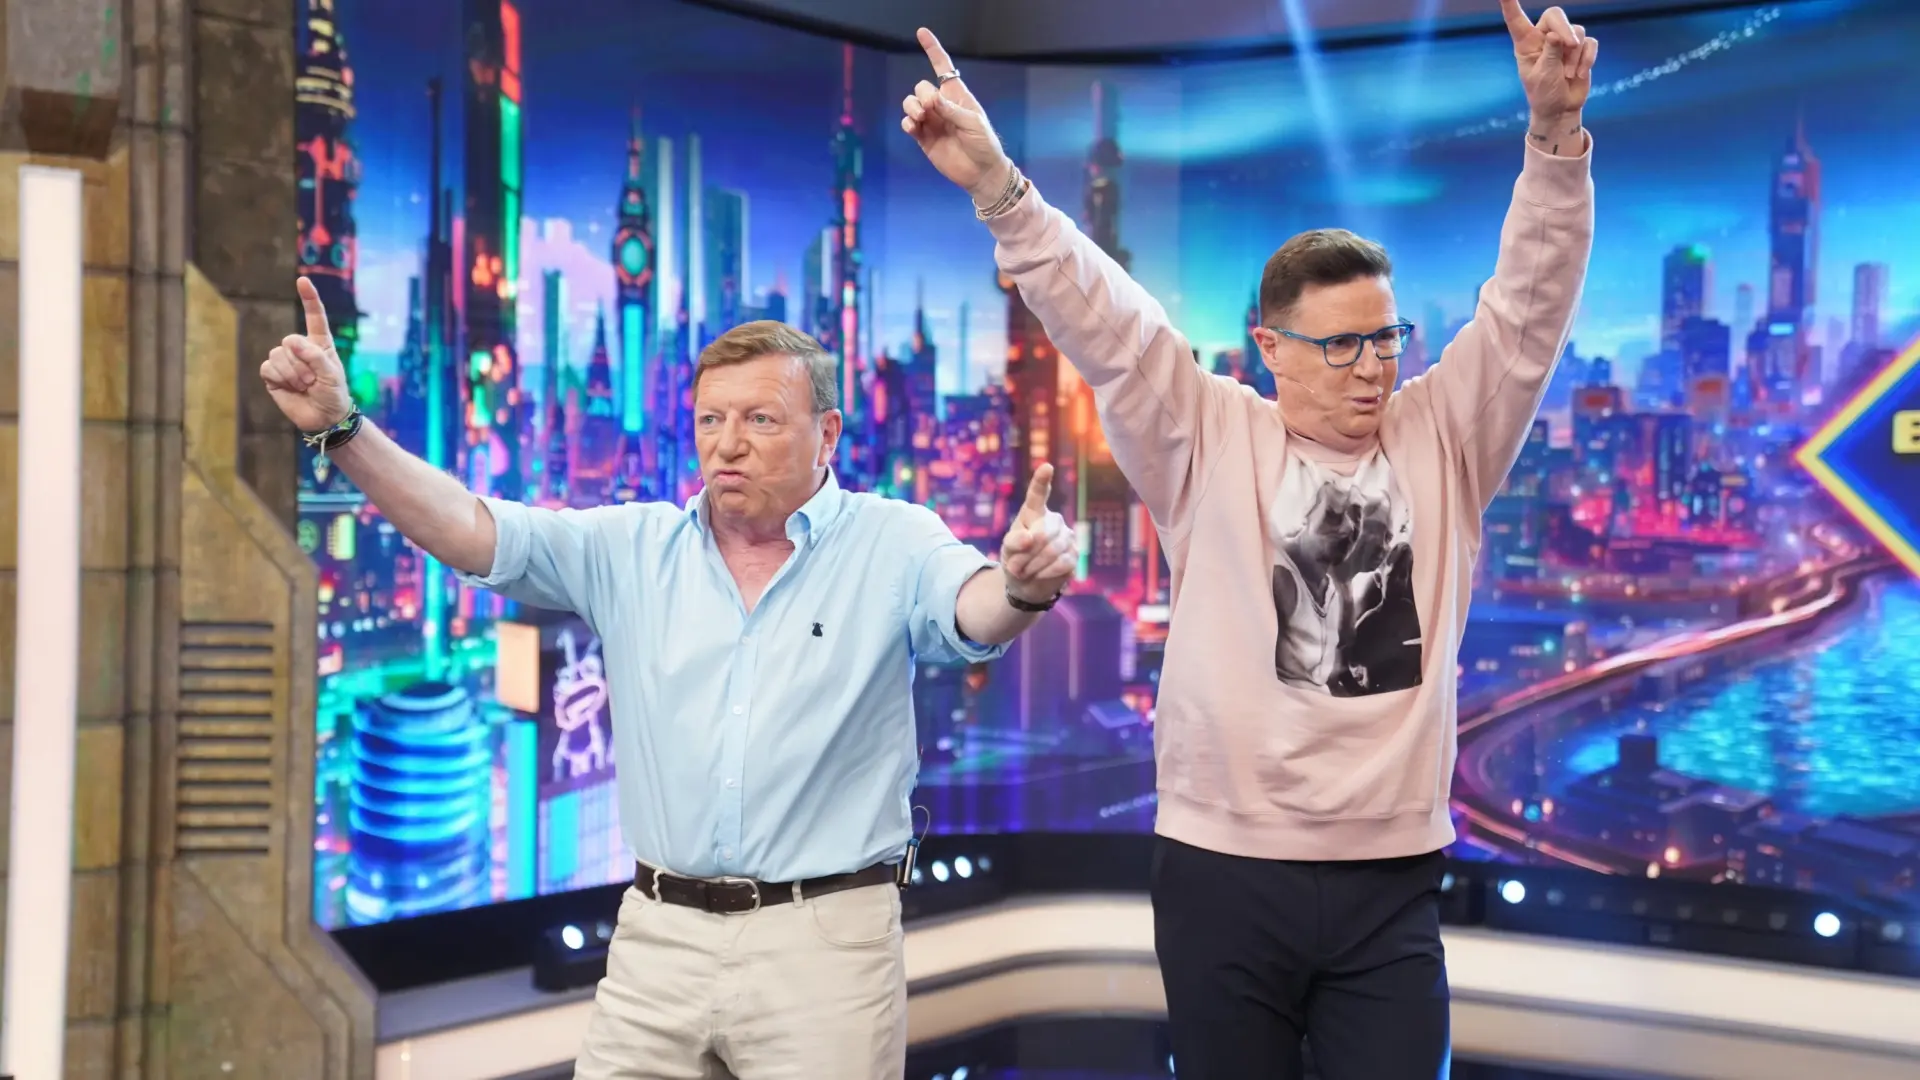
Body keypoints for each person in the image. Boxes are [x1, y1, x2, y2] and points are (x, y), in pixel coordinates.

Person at [901, 2, 1596, 1077]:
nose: (1374, 367)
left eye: (1387, 338)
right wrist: (999, 189)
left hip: (1391, 875)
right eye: (1343, 345)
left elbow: (1527, 314)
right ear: (1272, 347)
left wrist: (1553, 140)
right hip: (1221, 868)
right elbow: (1110, 323)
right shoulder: (1209, 434)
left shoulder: (1444, 436)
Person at [260, 312, 1078, 1078]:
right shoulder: (633, 548)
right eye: (710, 419)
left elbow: (975, 610)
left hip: (826, 944)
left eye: (760, 419)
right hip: (658, 936)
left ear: (827, 434)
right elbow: (471, 530)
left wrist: (1023, 585)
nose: (729, 444)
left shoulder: (892, 539)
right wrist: (345, 431)